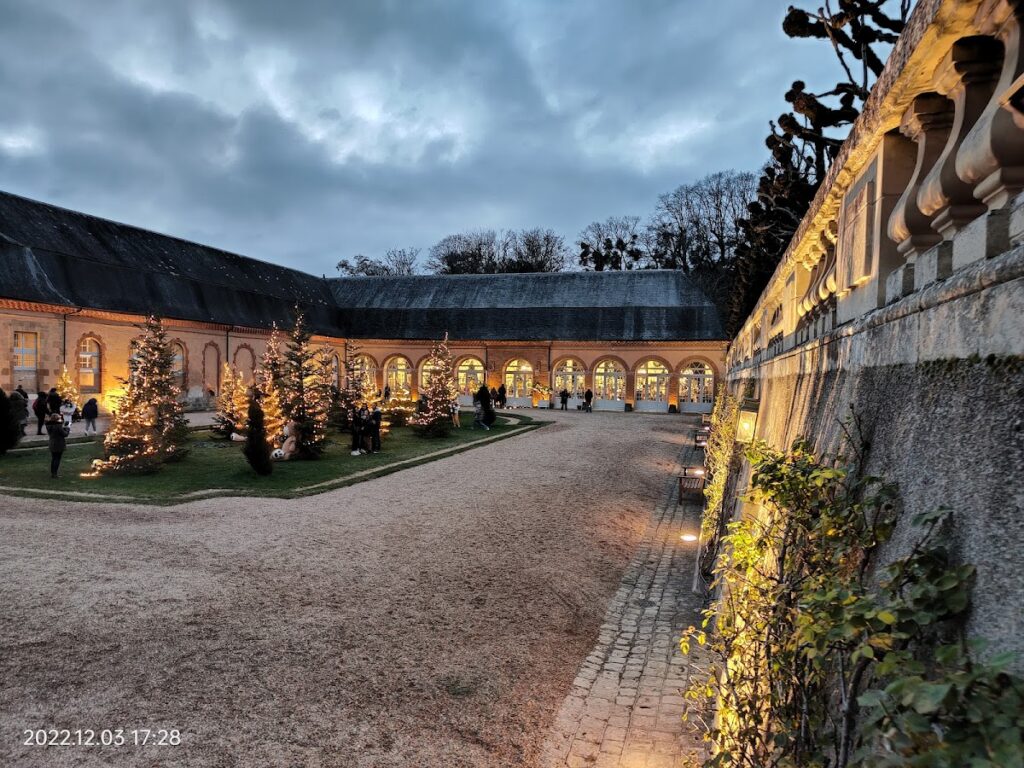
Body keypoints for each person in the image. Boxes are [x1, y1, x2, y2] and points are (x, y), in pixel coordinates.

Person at [45, 413, 69, 478]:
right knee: (57, 459)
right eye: (59, 418)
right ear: (57, 419)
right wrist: (67, 428)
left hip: (52, 443)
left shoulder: (49, 425)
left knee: (53, 458)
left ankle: (53, 473)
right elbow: (65, 434)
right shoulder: (58, 426)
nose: (60, 419)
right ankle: (55, 474)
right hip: (58, 443)